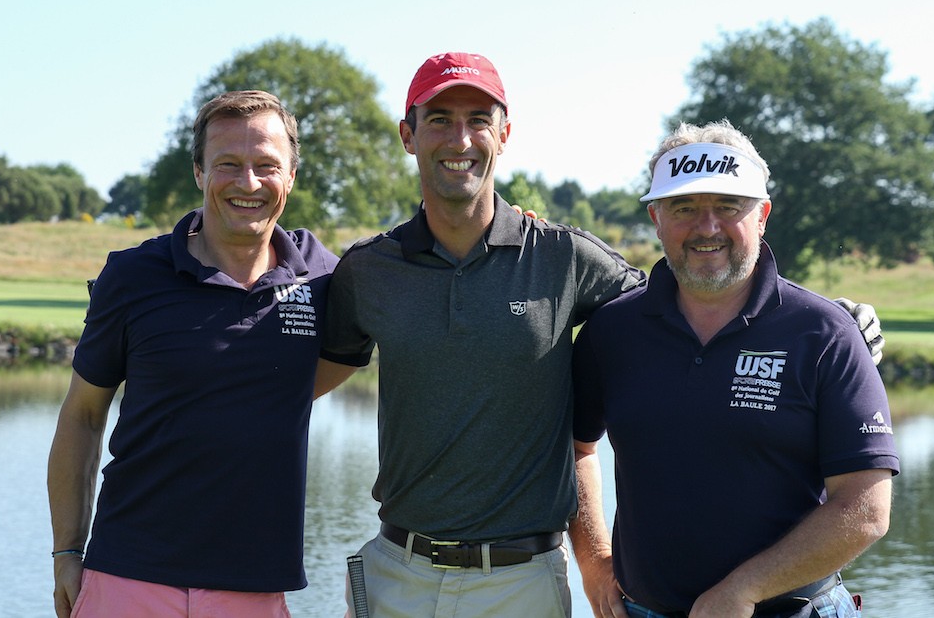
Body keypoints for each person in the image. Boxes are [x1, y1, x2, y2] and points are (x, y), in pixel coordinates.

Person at [314, 55, 883, 618]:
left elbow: (703, 283)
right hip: (401, 570)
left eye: (478, 119)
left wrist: (824, 320)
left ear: (504, 135)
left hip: (528, 580)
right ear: (408, 135)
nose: (460, 138)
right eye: (439, 119)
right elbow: (302, 376)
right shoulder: (369, 270)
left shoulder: (563, 256)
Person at [570, 120, 900, 618]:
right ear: (656, 217)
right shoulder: (613, 330)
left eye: (728, 207)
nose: (707, 227)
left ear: (762, 214)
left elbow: (866, 507)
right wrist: (594, 563)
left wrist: (743, 589)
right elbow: (575, 447)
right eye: (685, 208)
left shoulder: (825, 333)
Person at [47, 90, 338, 618]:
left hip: (254, 589)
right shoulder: (133, 277)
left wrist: (531, 228)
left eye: (266, 166)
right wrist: (67, 551)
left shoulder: (324, 279)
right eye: (228, 164)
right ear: (200, 173)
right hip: (126, 579)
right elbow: (83, 416)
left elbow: (389, 311)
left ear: (291, 176)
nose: (248, 183)